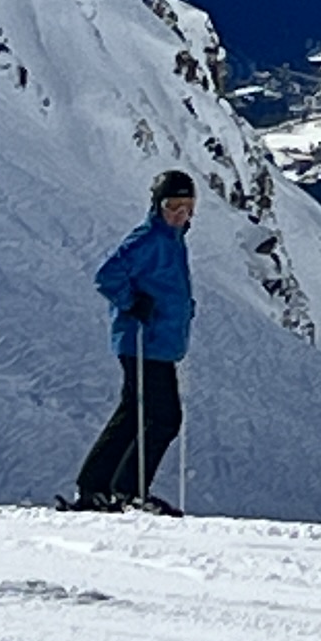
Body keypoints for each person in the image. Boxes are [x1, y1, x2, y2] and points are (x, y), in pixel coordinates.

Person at [63, 170, 195, 511]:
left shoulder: (172, 239)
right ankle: (128, 490)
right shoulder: (149, 239)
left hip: (156, 343)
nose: (179, 215)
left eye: (187, 207)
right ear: (157, 206)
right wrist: (132, 303)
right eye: (172, 206)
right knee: (163, 418)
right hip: (143, 341)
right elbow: (107, 276)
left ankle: (96, 487)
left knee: (135, 413)